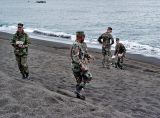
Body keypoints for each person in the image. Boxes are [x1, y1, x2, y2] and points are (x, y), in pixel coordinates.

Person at [70, 31, 93, 100]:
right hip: (77, 66)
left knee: (84, 79)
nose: (84, 37)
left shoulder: (83, 44)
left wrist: (89, 56)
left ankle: (77, 92)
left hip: (82, 64)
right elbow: (75, 57)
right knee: (87, 77)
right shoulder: (75, 45)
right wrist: (81, 65)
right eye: (83, 36)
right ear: (80, 37)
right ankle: (77, 92)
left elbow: (84, 53)